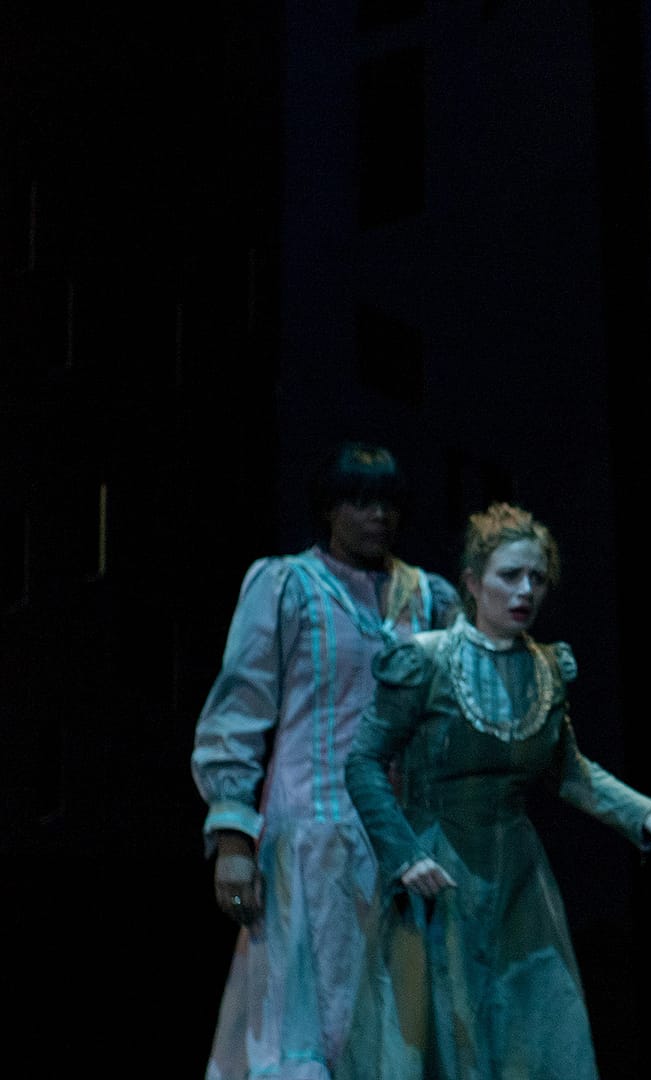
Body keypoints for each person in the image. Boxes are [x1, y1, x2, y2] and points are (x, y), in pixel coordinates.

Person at [344, 503, 651, 1078]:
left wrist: (644, 815)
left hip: (518, 878)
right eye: (510, 575)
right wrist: (404, 854)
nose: (525, 591)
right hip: (437, 868)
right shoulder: (424, 661)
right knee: (441, 1032)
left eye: (537, 578)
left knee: (532, 1031)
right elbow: (363, 762)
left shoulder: (546, 668)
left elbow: (568, 771)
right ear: (472, 582)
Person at [192, 442, 459, 1080]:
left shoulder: (429, 598)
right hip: (306, 845)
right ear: (330, 508)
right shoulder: (286, 586)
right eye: (360, 502)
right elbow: (239, 708)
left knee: (397, 1028)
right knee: (307, 1026)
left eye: (388, 503)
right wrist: (233, 840)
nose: (378, 516)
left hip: (404, 846)